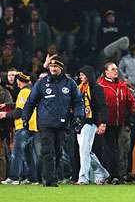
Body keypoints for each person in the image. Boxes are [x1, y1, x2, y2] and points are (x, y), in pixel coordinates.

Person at [22, 57, 84, 187]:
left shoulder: (70, 83)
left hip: (62, 124)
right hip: (46, 123)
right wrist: (25, 117)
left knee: (58, 151)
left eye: (56, 66)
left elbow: (78, 101)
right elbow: (31, 101)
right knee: (47, 151)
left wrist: (78, 117)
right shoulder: (42, 83)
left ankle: (53, 177)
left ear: (61, 68)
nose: (53, 69)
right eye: (51, 66)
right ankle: (49, 180)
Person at [97, 62, 135, 185]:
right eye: (113, 69)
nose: (116, 71)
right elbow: (98, 106)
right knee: (111, 150)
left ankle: (116, 175)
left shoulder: (122, 86)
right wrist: (100, 122)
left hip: (120, 122)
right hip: (106, 123)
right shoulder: (101, 86)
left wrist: (134, 107)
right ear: (106, 72)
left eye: (116, 69)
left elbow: (130, 100)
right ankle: (113, 175)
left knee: (120, 150)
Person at [76, 66, 109, 185]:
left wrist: (103, 123)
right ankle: (102, 173)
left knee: (84, 151)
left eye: (83, 75)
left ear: (89, 75)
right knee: (86, 151)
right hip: (80, 122)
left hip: (91, 122)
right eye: (80, 75)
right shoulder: (79, 89)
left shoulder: (96, 89)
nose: (80, 77)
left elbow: (103, 107)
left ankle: (83, 178)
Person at [0, 72, 34, 185]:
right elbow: (21, 106)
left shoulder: (23, 92)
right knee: (28, 154)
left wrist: (5, 114)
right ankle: (32, 179)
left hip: (23, 125)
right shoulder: (31, 90)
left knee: (17, 153)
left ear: (19, 81)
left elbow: (19, 112)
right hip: (31, 125)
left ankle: (14, 178)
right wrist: (8, 105)